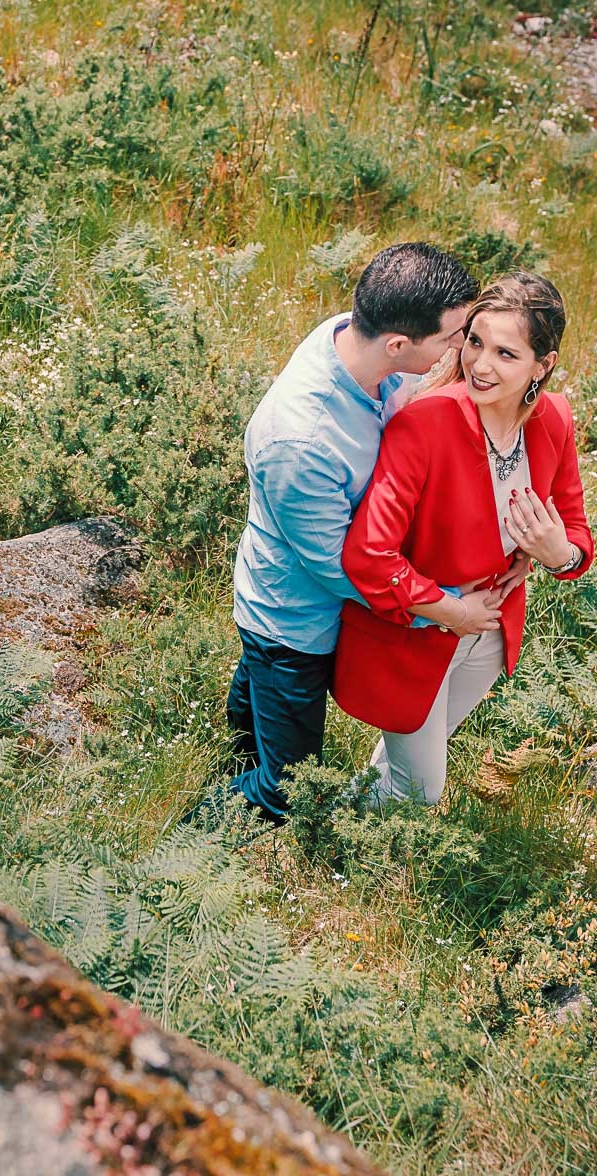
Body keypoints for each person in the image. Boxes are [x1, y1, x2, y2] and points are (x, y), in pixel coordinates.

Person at [220, 242, 484, 823]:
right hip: (292, 622)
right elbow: (340, 569)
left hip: (279, 585)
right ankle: (192, 840)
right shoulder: (304, 442)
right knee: (288, 789)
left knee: (250, 723)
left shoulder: (349, 339)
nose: (459, 349)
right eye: (450, 338)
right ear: (398, 344)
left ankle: (233, 761)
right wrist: (442, 609)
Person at [334, 271, 595, 804]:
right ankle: (334, 842)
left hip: (493, 635)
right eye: (475, 342)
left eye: (505, 353)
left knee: (404, 760)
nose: (479, 365)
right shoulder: (424, 425)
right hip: (419, 633)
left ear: (541, 366)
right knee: (422, 789)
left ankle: (344, 829)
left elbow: (575, 531)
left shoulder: (555, 421)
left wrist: (557, 555)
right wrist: (452, 612)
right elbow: (369, 555)